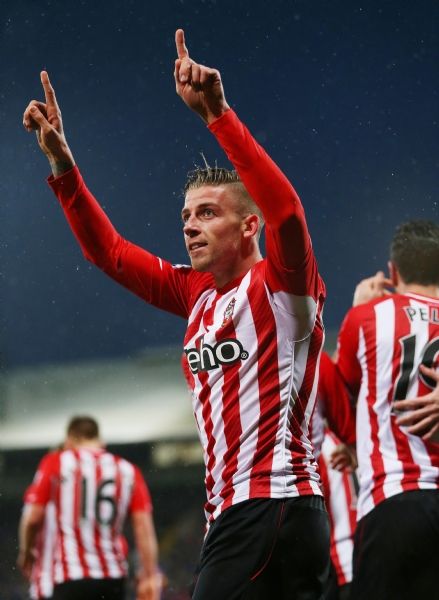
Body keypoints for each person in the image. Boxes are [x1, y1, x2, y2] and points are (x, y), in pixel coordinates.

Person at [23, 30, 329, 599]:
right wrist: (63, 166)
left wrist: (217, 115)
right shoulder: (196, 292)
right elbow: (110, 253)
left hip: (266, 502)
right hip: (264, 512)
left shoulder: (282, 283)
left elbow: (287, 212)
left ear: (249, 226)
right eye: (186, 216)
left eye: (207, 213)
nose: (189, 226)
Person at [335, 220, 439, 600]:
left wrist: (357, 306)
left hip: (393, 502)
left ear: (393, 272)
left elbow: (338, 391)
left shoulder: (367, 318)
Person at [17, 416, 160, 600]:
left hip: (72, 574)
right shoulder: (128, 470)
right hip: (113, 576)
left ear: (70, 440)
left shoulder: (57, 463)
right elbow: (143, 529)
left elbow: (32, 518)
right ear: (100, 441)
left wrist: (26, 552)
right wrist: (149, 575)